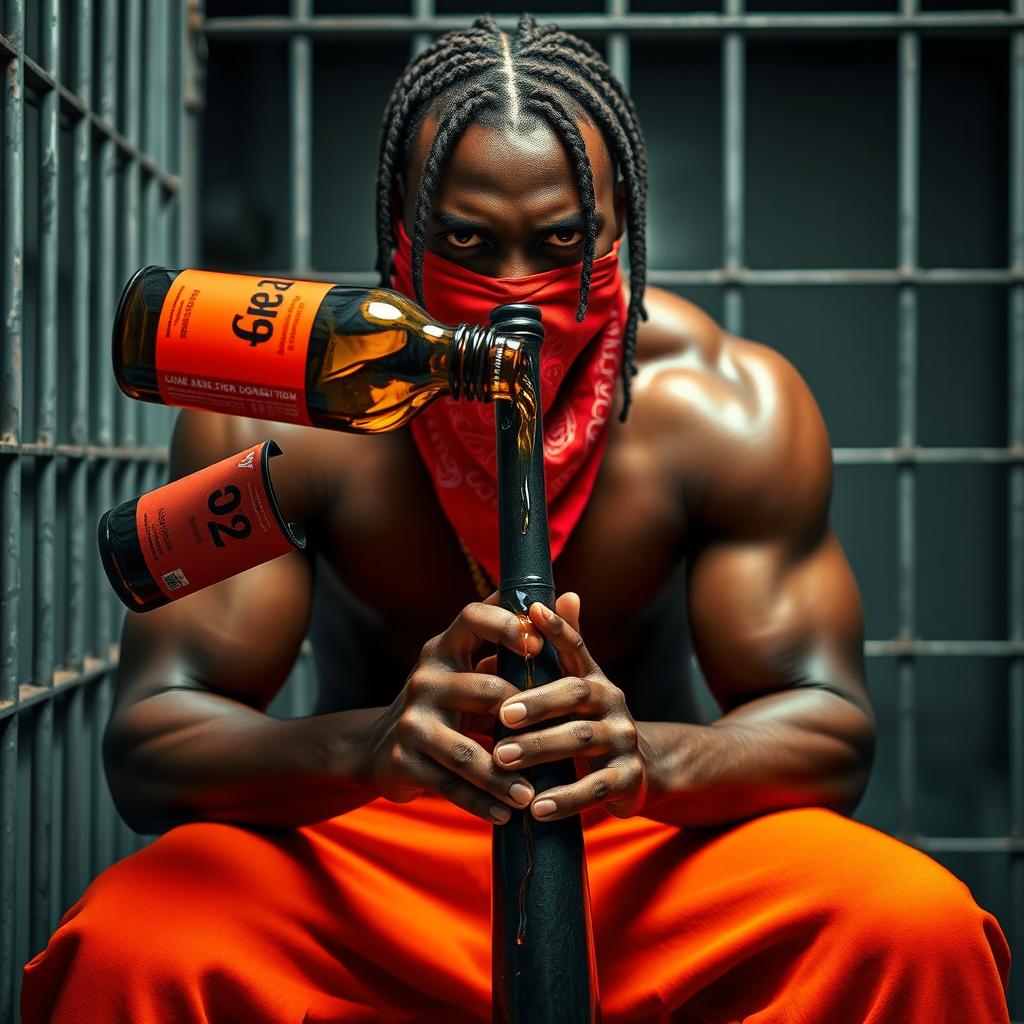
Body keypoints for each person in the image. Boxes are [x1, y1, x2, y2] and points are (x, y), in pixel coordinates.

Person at [22, 13, 1010, 1023]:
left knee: (912, 923)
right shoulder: (286, 415)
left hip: (637, 852)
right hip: (373, 841)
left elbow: (831, 728)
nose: (507, 292)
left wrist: (646, 759)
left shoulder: (725, 408)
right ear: (397, 225)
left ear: (621, 229)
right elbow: (150, 747)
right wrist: (370, 747)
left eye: (559, 243)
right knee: (130, 944)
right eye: (463, 240)